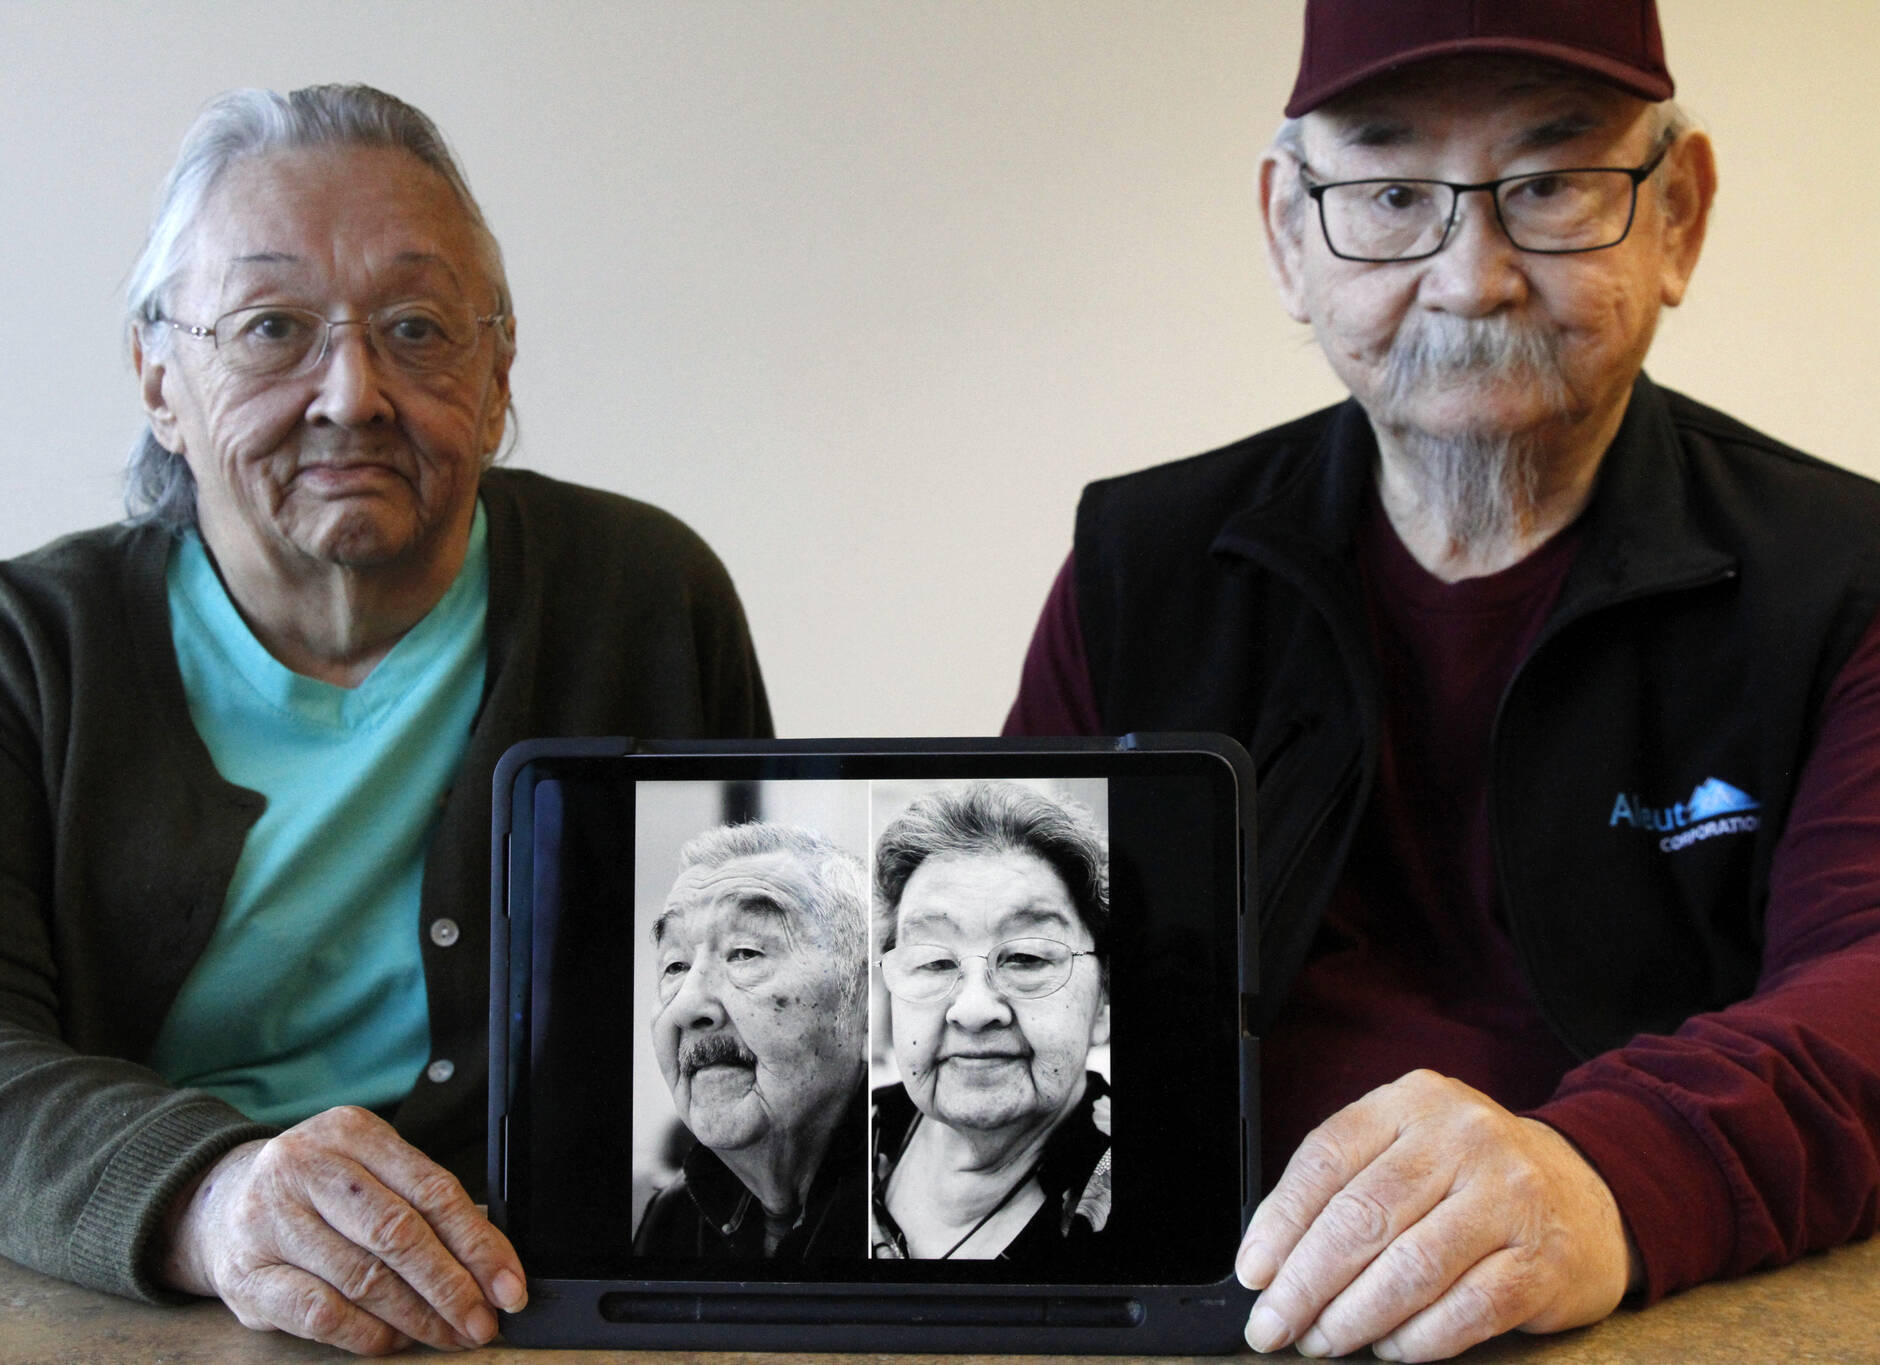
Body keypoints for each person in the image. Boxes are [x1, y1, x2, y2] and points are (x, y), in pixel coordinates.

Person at [0, 84, 770, 1356]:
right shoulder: (0, 657)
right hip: (131, 1309)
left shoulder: (649, 596)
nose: (352, 393)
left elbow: (730, 949)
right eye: (272, 327)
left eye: (417, 327)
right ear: (160, 377)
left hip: (538, 1306)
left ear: (497, 376)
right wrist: (208, 1199)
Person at [1006, 1, 1880, 1359]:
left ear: (1680, 220)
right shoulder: (1141, 570)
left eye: (1548, 185)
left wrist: (1604, 1173)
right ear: (1291, 233)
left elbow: (1871, 986)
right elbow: (986, 955)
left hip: (1661, 1316)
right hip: (1214, 1310)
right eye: (1393, 192)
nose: (1472, 279)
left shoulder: (1846, 581)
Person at [868, 782, 1111, 1261]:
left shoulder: (1164, 1201)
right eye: (934, 962)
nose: (975, 1010)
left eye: (1024, 957)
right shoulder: (847, 1136)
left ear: (1103, 1000)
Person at [634, 822, 868, 1259]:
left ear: (865, 999)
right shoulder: (674, 1219)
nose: (687, 1007)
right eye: (675, 965)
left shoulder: (915, 1209)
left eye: (745, 953)